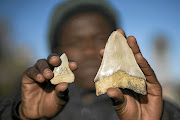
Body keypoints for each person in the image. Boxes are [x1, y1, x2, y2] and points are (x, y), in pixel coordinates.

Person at [1, 0, 180, 119]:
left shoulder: (148, 106)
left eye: (100, 38)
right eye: (75, 42)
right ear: (56, 51)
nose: (88, 51)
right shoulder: (25, 103)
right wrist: (19, 114)